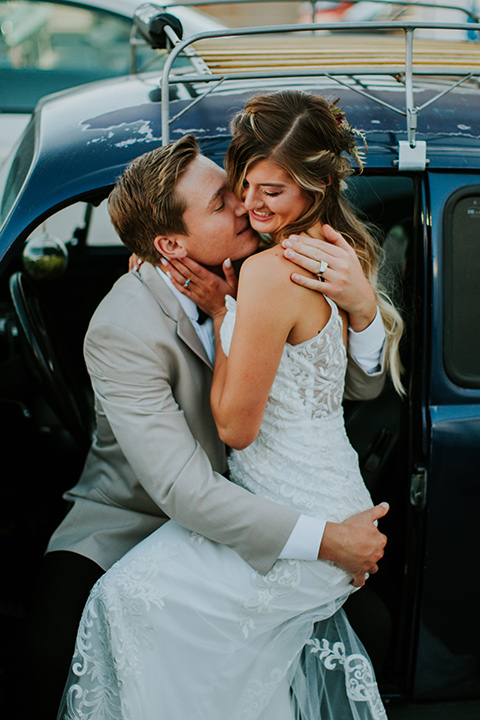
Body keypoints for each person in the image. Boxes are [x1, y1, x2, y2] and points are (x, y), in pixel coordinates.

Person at [56, 90, 402, 720]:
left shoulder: (281, 269)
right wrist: (328, 541)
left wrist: (363, 309)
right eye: (229, 198)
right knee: (94, 621)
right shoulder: (125, 326)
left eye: (254, 189)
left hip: (276, 497)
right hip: (141, 515)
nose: (246, 205)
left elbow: (354, 388)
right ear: (171, 246)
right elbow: (186, 491)